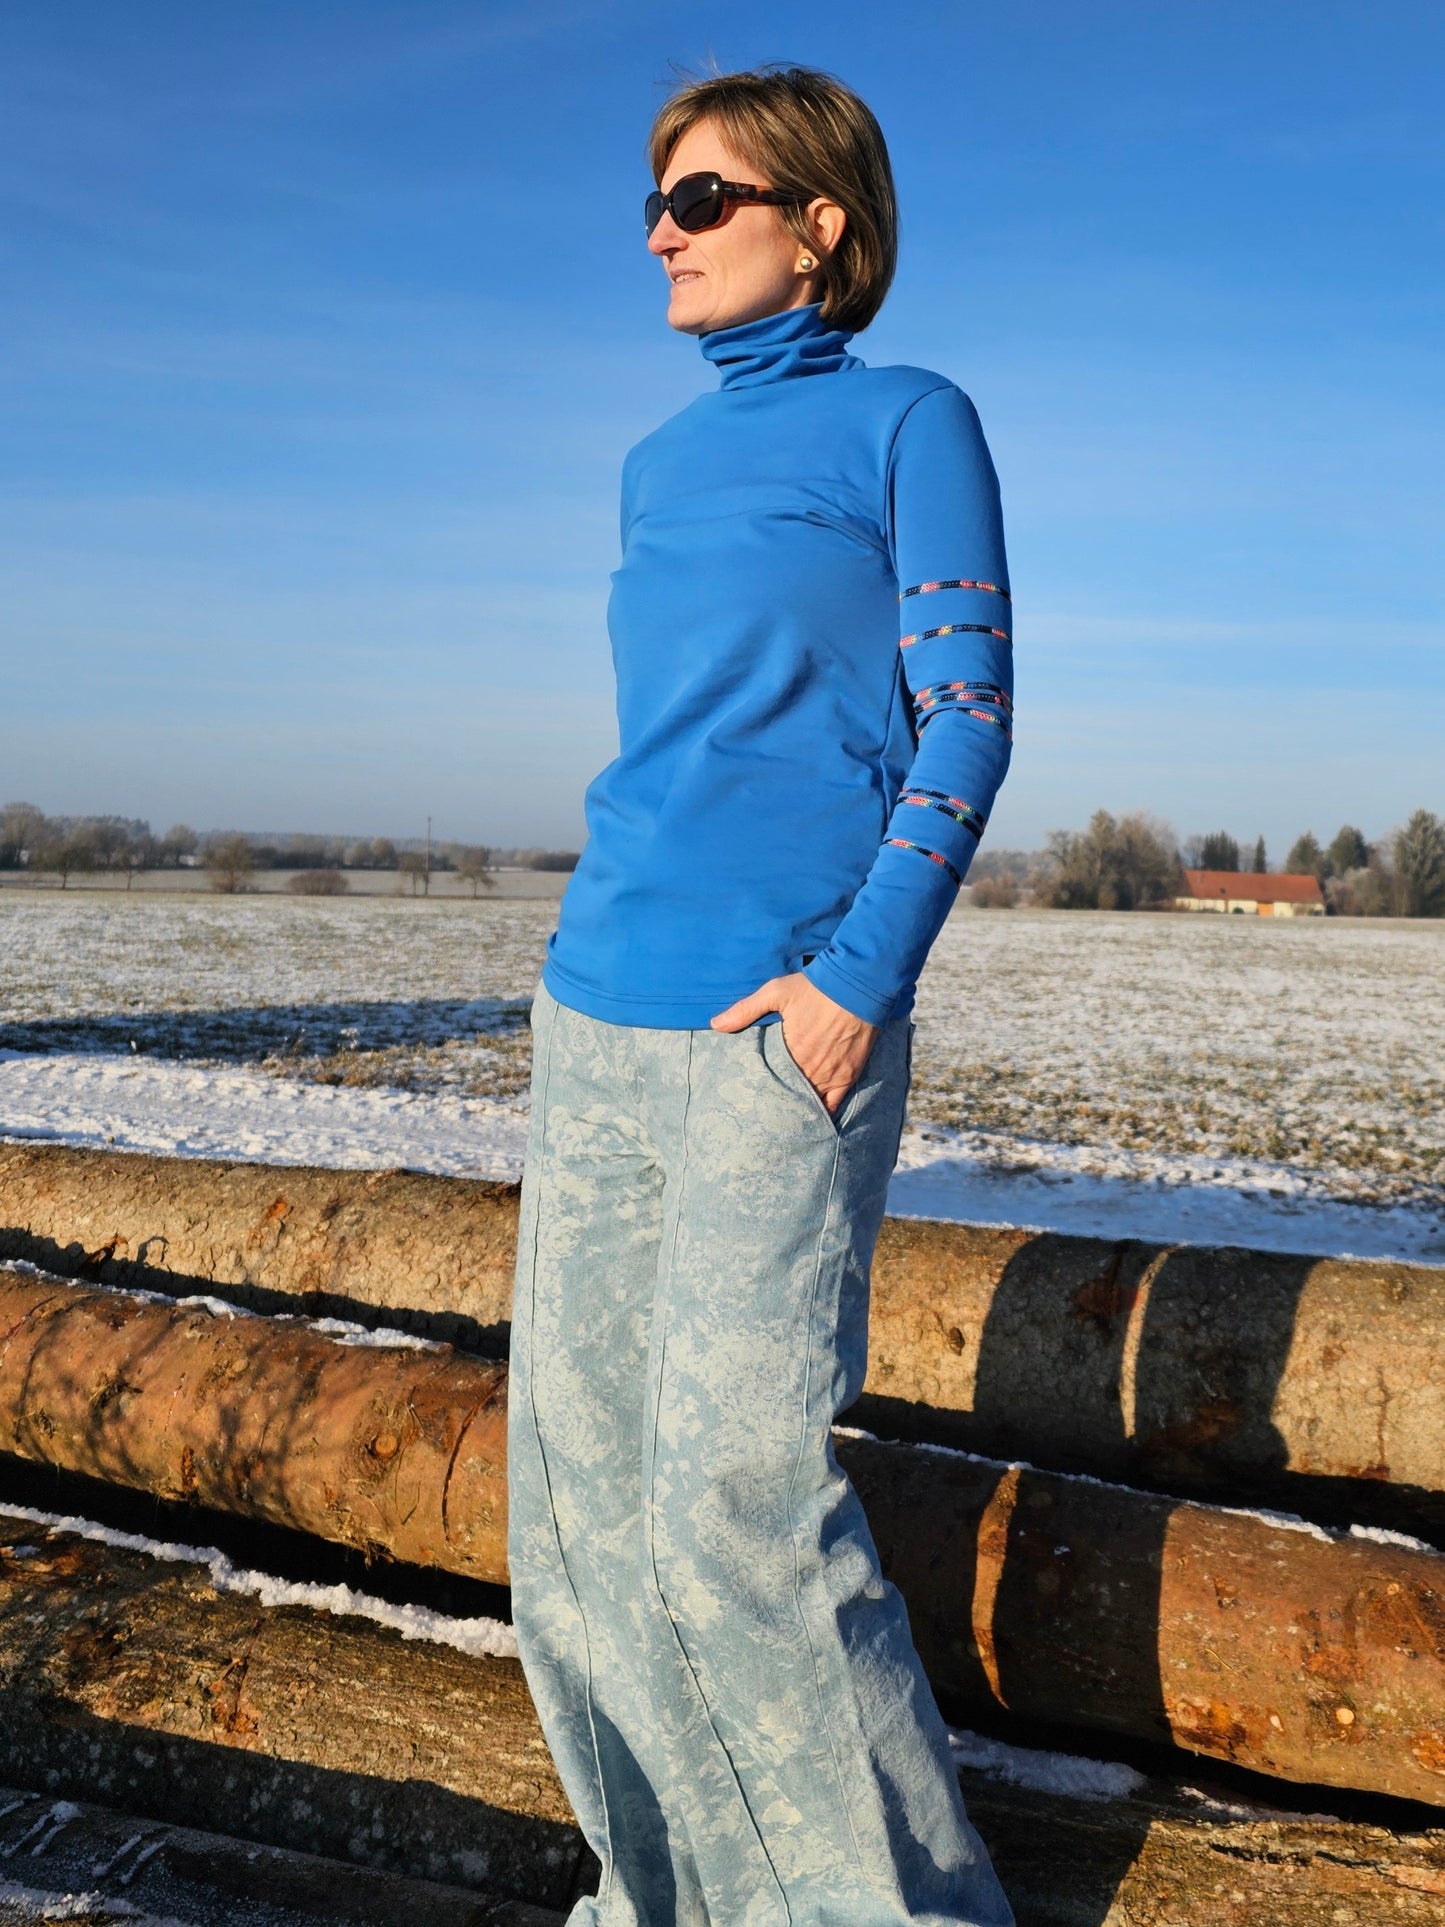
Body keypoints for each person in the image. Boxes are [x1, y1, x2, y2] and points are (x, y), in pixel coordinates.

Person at [508, 63, 1015, 1927]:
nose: (661, 232)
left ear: (821, 223)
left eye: (701, 198)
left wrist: (850, 986)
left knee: (734, 1516)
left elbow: (965, 720)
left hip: (772, 1033)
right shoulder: (653, 463)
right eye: (654, 200)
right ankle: (659, 1901)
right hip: (593, 1007)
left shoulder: (908, 421)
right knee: (573, 1526)